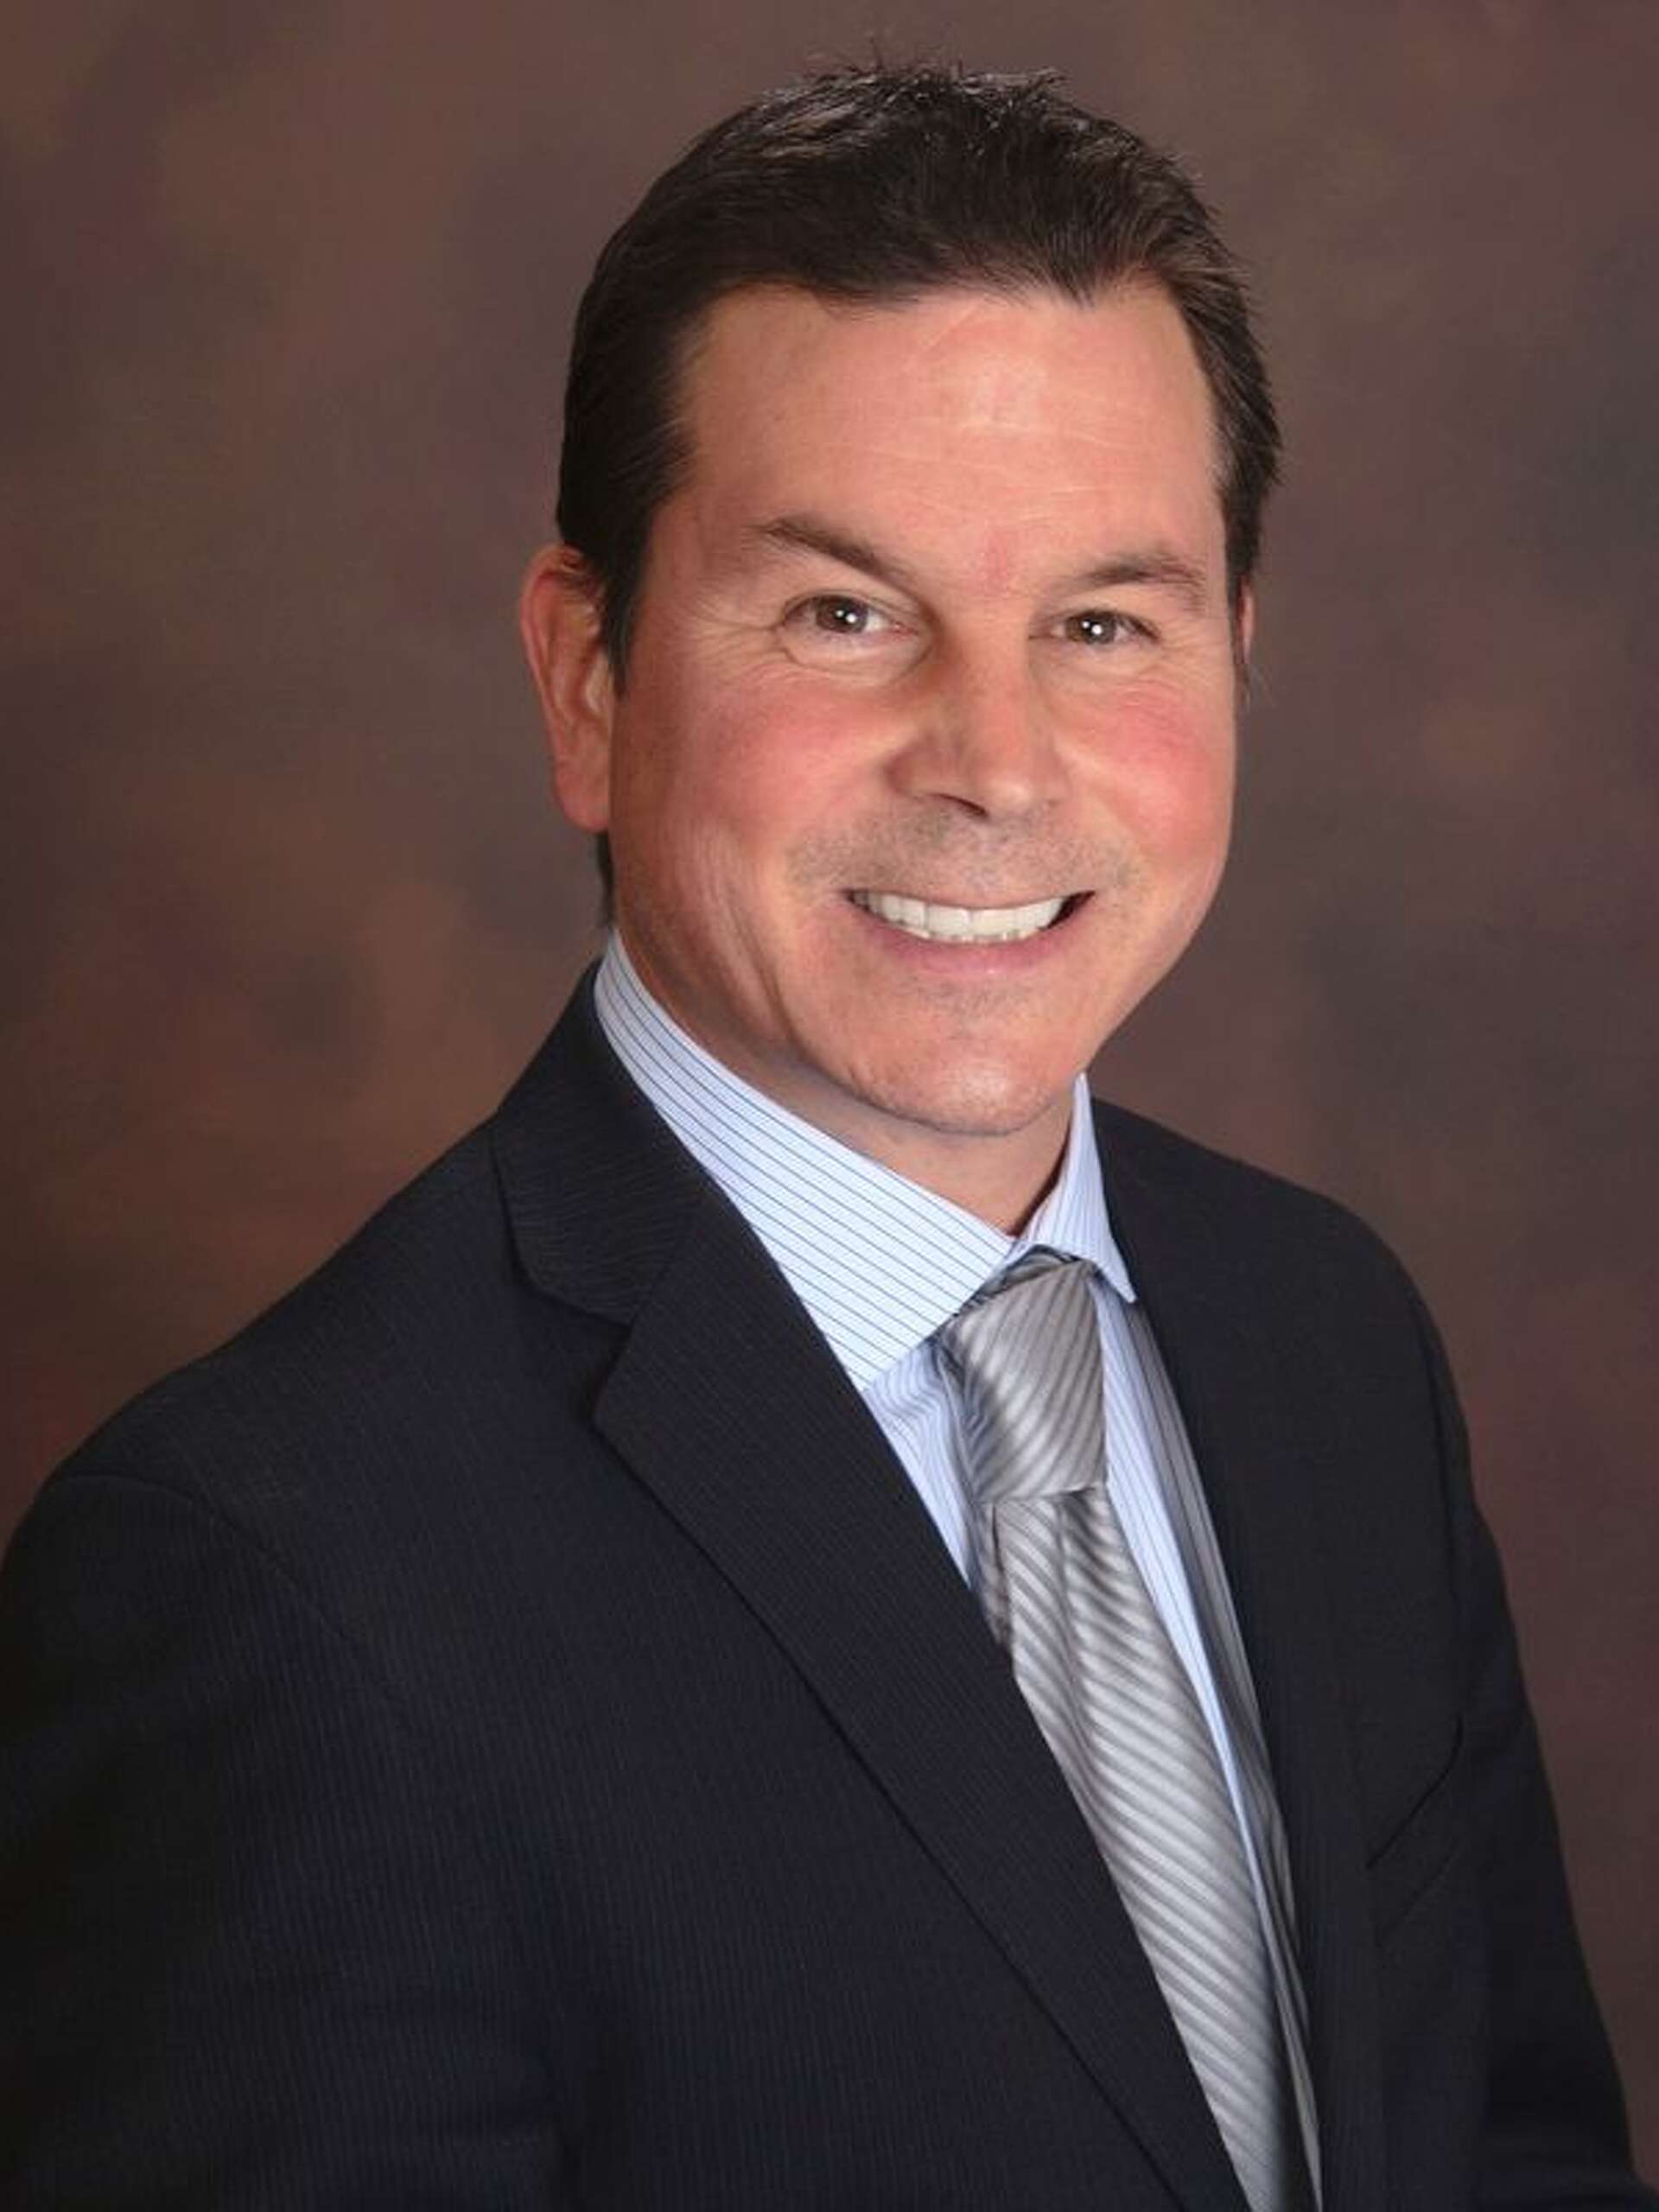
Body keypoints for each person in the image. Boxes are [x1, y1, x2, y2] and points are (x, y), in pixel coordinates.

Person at [1, 60, 1650, 2212]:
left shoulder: (1327, 1338)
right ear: (587, 677)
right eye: (846, 614)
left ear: (1239, 655)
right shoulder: (262, 1578)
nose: (998, 762)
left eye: (1103, 623)